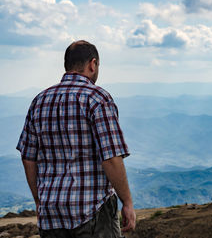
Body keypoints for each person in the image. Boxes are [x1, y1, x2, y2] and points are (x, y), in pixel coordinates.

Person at [16, 40, 136, 238]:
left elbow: (28, 158)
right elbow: (111, 158)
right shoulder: (97, 98)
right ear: (92, 64)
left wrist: (40, 201)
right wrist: (128, 203)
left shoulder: (39, 100)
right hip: (92, 212)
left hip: (51, 215)